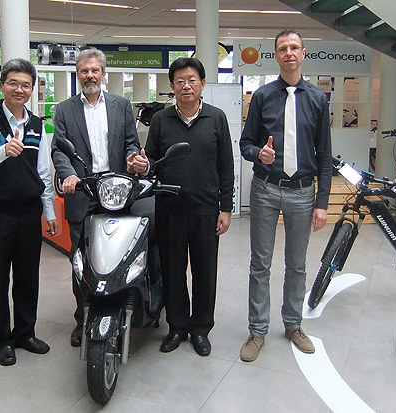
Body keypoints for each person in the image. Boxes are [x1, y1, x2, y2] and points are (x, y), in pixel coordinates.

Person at [239, 29, 332, 362]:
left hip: (303, 193)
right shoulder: (263, 96)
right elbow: (245, 143)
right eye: (282, 48)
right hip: (265, 189)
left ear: (303, 53)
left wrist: (322, 203)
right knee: (260, 264)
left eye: (294, 47)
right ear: (276, 56)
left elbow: (325, 155)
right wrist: (258, 154)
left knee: (297, 265)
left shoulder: (317, 99)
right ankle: (257, 330)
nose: (289, 52)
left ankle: (293, 325)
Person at [137, 57, 234, 357]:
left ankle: (201, 329)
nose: (186, 86)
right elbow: (152, 161)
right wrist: (142, 166)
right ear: (172, 86)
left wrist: (226, 208)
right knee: (173, 271)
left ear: (202, 84)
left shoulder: (217, 118)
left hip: (206, 211)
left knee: (205, 273)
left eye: (192, 80)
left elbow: (226, 166)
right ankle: (177, 327)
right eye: (180, 81)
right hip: (169, 209)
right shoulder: (161, 120)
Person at [51, 48, 146, 348]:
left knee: (118, 256)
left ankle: (117, 314)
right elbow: (59, 149)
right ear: (77, 74)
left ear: (104, 74)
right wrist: (68, 174)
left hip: (117, 192)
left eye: (95, 70)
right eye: (84, 71)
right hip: (82, 192)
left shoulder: (122, 105)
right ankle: (83, 319)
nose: (89, 76)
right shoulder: (64, 109)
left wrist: (132, 158)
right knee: (81, 262)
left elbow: (131, 143)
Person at [0, 58, 58, 366]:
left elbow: (43, 171)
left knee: (28, 277)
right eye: (14, 83)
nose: (20, 90)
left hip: (29, 213)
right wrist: (2, 152)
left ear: (32, 89)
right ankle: (3, 340)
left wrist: (49, 212)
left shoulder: (36, 125)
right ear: (2, 85)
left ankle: (25, 333)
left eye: (26, 85)